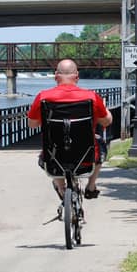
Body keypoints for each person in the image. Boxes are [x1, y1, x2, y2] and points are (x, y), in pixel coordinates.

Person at [27, 59, 112, 199]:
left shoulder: (43, 97)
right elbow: (106, 122)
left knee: (47, 152)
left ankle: (61, 188)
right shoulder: (91, 97)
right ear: (77, 76)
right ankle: (91, 186)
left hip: (54, 157)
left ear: (56, 76)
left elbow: (32, 124)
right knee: (100, 143)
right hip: (86, 157)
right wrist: (105, 109)